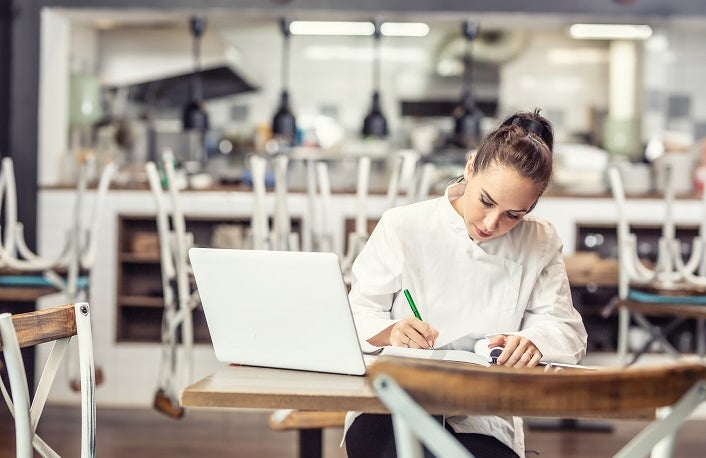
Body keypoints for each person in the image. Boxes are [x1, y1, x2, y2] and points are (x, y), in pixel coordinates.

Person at [345, 109, 588, 458]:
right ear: (471, 166)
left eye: (513, 215)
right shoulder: (403, 226)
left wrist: (532, 341)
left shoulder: (540, 240)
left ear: (532, 205)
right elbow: (354, 316)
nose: (491, 223)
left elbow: (567, 331)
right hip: (391, 405)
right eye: (486, 201)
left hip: (482, 416)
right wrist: (390, 331)